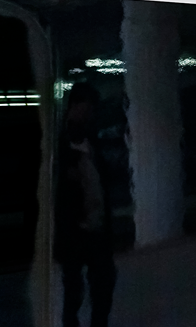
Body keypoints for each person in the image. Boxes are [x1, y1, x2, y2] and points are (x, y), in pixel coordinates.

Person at [55, 84, 116, 327]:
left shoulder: (83, 144)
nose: (89, 116)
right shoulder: (71, 147)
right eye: (87, 110)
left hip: (88, 229)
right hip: (79, 231)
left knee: (91, 287)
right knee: (81, 289)